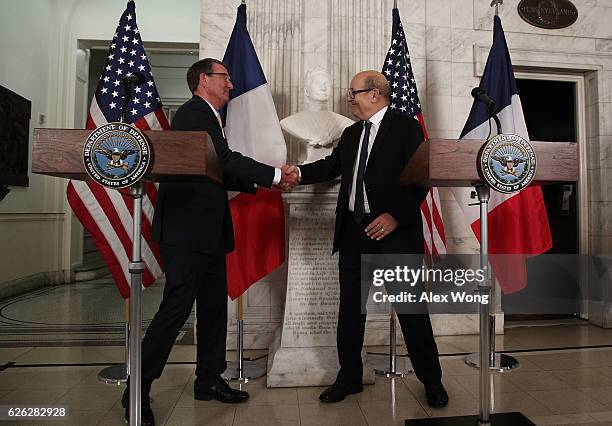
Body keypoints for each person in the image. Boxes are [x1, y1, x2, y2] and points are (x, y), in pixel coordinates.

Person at [122, 58, 298, 425]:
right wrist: (273, 176)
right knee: (175, 310)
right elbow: (224, 159)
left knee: (214, 308)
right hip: (186, 234)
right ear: (204, 80)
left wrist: (260, 180)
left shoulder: (207, 116)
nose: (231, 85)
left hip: (209, 233)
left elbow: (215, 168)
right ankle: (137, 388)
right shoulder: (193, 114)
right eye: (225, 78)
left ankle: (208, 379)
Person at [284, 70, 448, 407]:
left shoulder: (406, 127)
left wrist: (395, 215)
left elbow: (421, 177)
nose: (348, 98)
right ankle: (349, 378)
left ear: (375, 94)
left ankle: (432, 381)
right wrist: (299, 172)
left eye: (353, 92)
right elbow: (332, 167)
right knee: (350, 312)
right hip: (354, 234)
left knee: (412, 314)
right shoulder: (351, 132)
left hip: (395, 236)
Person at [280, 68, 353, 163]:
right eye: (317, 83)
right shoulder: (290, 122)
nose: (323, 87)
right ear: (306, 91)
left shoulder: (345, 123)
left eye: (326, 83)